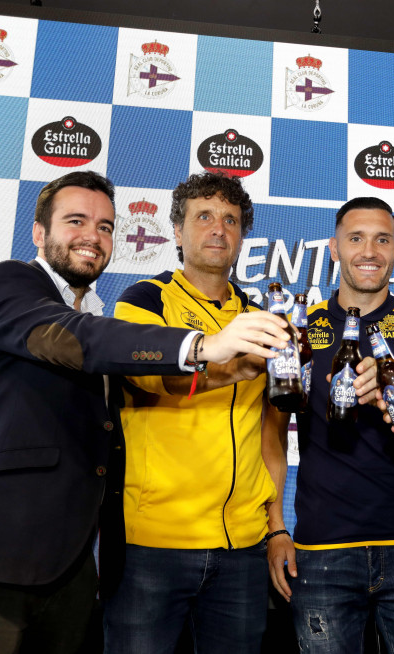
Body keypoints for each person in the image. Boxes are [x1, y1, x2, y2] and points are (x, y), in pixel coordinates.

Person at [0, 171, 289, 654]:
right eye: (76, 221)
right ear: (39, 233)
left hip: (71, 568)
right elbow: (77, 340)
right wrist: (203, 345)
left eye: (106, 226)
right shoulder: (14, 283)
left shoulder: (98, 312)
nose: (93, 235)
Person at [103, 171, 285, 654]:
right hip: (154, 544)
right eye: (203, 217)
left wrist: (276, 526)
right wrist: (227, 367)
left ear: (243, 236)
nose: (218, 229)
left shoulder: (263, 316)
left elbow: (272, 437)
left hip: (242, 549)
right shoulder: (143, 299)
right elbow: (143, 377)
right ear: (177, 232)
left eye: (230, 219)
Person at [267, 197, 394, 653]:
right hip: (321, 550)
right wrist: (275, 530)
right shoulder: (296, 331)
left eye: (382, 240)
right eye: (355, 238)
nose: (369, 250)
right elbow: (270, 435)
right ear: (334, 248)